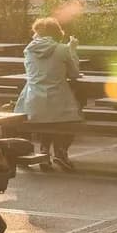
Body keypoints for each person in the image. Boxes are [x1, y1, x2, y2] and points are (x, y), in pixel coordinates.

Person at [13, 17, 80, 171]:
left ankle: (44, 152)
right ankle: (60, 152)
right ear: (57, 33)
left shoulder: (29, 50)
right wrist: (72, 50)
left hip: (32, 103)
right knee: (73, 115)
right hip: (58, 104)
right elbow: (75, 74)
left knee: (47, 118)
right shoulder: (62, 49)